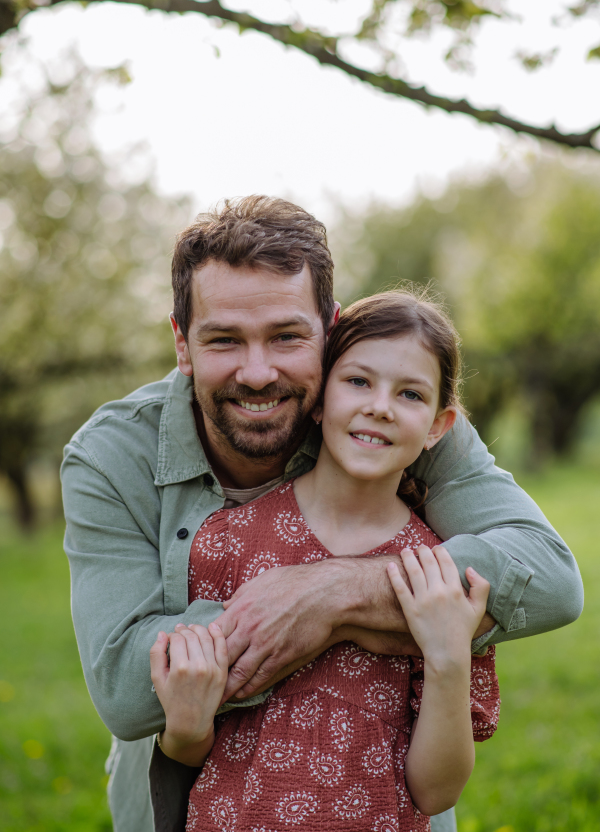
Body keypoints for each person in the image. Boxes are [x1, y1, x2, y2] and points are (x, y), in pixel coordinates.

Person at [62, 196, 583, 832]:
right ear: (182, 343)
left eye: (286, 336)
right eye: (224, 340)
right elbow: (122, 681)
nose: (258, 373)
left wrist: (332, 595)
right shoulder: (109, 455)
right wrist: (383, 614)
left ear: (329, 328)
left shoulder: (388, 412)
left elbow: (551, 576)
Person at [150, 289, 501, 832]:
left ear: (438, 424)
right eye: (358, 381)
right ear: (317, 399)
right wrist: (186, 728)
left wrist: (448, 656)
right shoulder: (226, 542)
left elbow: (435, 791)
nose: (379, 406)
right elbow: (193, 751)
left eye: (410, 394)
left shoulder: (435, 576)